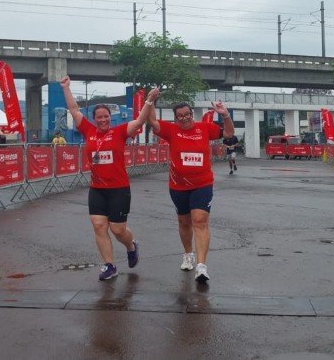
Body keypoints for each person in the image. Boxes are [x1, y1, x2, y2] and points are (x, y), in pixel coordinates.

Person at [60, 76, 159, 281]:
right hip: (97, 189)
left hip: (118, 189)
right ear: (94, 118)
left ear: (110, 117)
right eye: (99, 117)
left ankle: (132, 246)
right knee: (98, 226)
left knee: (118, 229)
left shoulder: (120, 132)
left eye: (106, 116)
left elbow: (140, 120)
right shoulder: (88, 130)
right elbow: (74, 110)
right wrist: (66, 88)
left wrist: (149, 100)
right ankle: (109, 265)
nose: (103, 120)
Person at [147, 100, 235, 284]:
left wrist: (225, 114)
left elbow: (228, 133)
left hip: (202, 184)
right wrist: (150, 101)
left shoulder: (205, 128)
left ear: (191, 113)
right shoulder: (171, 130)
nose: (184, 118)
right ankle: (188, 255)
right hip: (178, 186)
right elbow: (153, 122)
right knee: (184, 221)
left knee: (200, 221)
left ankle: (202, 267)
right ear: (176, 118)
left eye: (187, 114)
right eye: (180, 116)